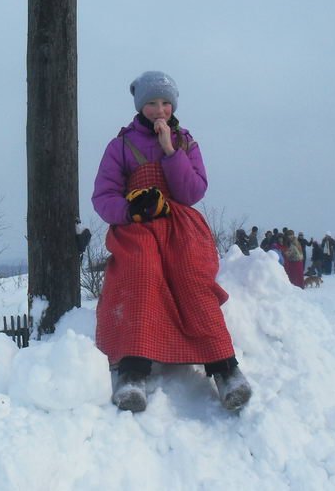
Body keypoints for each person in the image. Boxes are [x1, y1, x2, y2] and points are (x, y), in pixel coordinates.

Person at [91, 71, 252, 413]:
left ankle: (225, 369)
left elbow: (192, 192)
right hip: (138, 227)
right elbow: (103, 196)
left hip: (180, 224)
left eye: (165, 103)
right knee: (140, 272)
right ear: (140, 106)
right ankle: (133, 372)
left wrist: (169, 151)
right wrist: (130, 209)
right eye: (151, 103)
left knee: (192, 276)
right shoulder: (120, 146)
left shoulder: (186, 142)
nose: (159, 110)